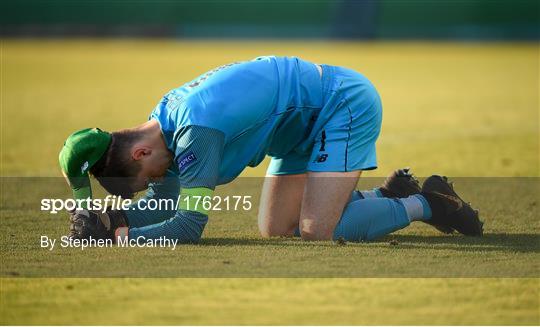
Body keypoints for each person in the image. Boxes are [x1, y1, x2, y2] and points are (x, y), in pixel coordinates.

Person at [60, 56, 483, 243]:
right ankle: (385, 196)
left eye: (147, 177)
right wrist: (112, 217)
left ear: (139, 155)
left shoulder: (195, 132)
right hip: (298, 130)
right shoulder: (162, 123)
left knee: (319, 231)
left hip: (342, 104)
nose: (156, 181)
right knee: (277, 229)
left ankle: (428, 202)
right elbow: (167, 196)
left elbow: (187, 225)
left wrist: (121, 240)